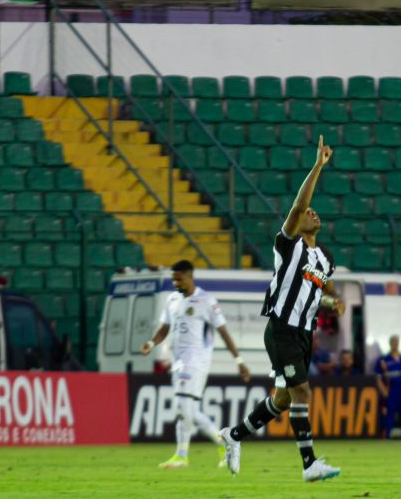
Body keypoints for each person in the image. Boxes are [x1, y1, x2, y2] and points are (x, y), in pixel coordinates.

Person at [220, 136, 345, 482]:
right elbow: (296, 208)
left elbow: (317, 292)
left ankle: (233, 435)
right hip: (281, 328)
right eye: (307, 212)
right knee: (303, 392)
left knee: (284, 399)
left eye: (314, 211)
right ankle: (309, 465)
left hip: (305, 333)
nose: (311, 212)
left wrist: (333, 302)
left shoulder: (325, 259)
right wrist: (318, 166)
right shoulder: (287, 246)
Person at [141, 259, 250, 469]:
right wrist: (151, 343)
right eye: (173, 279)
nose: (175, 283)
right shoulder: (172, 299)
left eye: (179, 279)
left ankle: (183, 454)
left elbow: (223, 331)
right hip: (178, 362)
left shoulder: (206, 301)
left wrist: (239, 360)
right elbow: (164, 328)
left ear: (190, 277)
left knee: (184, 406)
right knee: (188, 409)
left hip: (196, 362)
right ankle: (219, 442)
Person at [375, 335, 401, 439]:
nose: (395, 343)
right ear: (390, 343)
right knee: (388, 418)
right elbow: (378, 378)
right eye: (393, 341)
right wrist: (384, 391)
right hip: (392, 391)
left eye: (396, 341)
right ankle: (386, 439)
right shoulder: (384, 360)